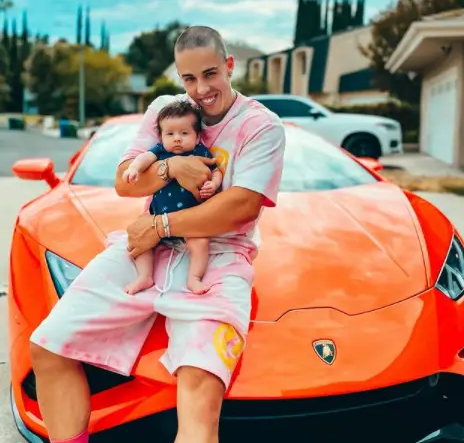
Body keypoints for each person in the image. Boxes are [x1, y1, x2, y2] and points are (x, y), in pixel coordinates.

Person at [29, 25, 286, 443]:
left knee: (200, 385)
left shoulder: (261, 127)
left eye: (210, 74)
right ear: (179, 78)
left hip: (217, 258)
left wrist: (160, 224)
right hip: (144, 250)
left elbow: (240, 206)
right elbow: (124, 182)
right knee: (47, 347)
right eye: (189, 78)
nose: (201, 89)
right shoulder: (165, 111)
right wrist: (171, 168)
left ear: (230, 66)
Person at [122, 98, 223, 295]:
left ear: (196, 136)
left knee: (201, 243)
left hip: (189, 222)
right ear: (161, 137)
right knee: (139, 241)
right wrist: (134, 168)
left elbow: (216, 169)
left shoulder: (199, 152)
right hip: (156, 219)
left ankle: (194, 278)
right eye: (170, 134)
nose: (177, 138)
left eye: (184, 133)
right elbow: (143, 158)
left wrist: (214, 183)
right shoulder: (160, 152)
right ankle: (144, 276)